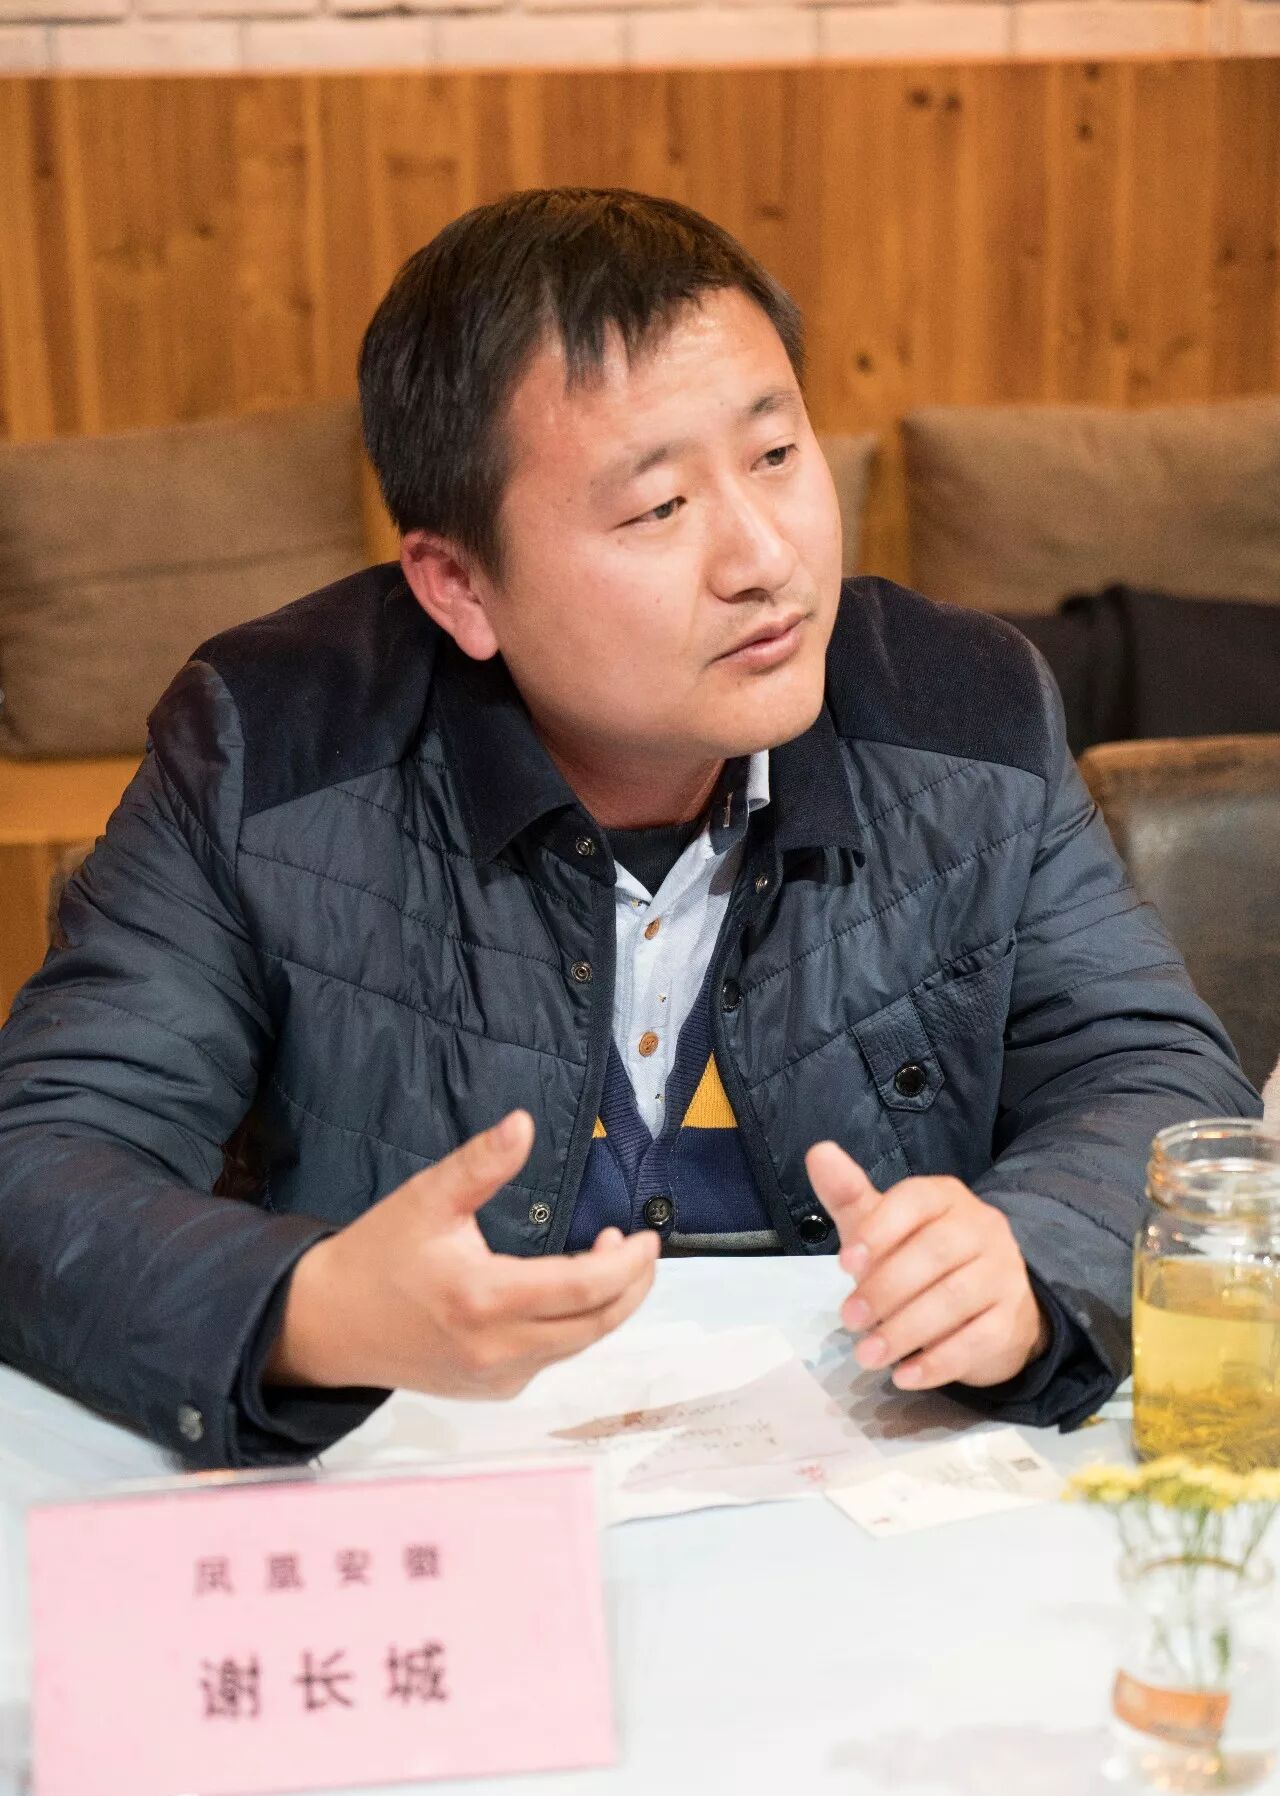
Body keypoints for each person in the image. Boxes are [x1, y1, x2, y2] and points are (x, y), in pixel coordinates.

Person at [0, 188, 1260, 1469]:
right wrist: (309, 1309)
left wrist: (1026, 1253)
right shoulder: (268, 745)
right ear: (459, 584)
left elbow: (1152, 1074)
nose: (764, 557)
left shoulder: (962, 709)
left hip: (866, 1480)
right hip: (444, 1480)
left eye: (776, 456)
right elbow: (40, 1159)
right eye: (658, 508)